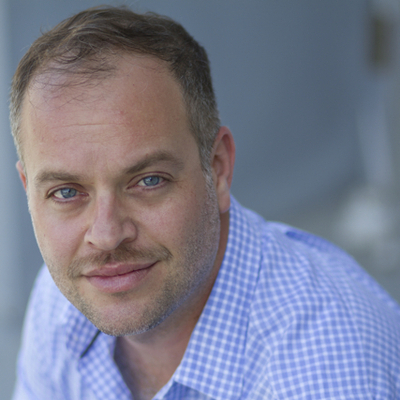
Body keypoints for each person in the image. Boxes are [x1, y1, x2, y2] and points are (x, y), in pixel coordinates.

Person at [10, 6, 400, 400]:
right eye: (66, 192)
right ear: (28, 190)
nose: (107, 236)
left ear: (218, 168)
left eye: (148, 181)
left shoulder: (323, 375)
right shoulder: (62, 305)